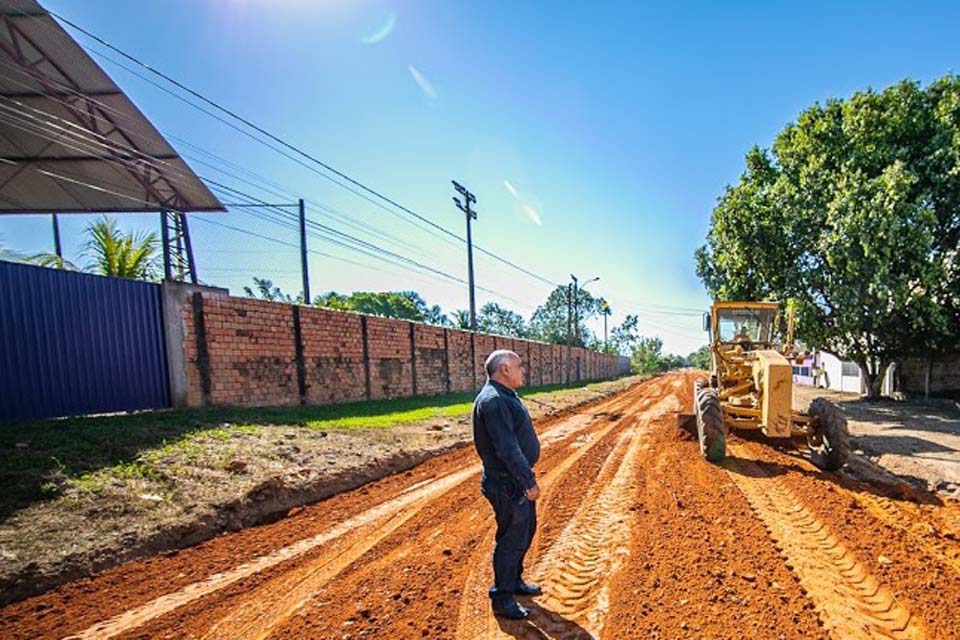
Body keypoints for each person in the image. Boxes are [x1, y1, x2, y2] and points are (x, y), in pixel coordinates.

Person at [473, 349, 542, 620]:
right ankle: (502, 597)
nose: (522, 371)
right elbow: (507, 448)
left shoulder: (503, 396)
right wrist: (528, 481)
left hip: (513, 481)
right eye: (519, 366)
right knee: (511, 539)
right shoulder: (494, 401)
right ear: (504, 370)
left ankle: (514, 582)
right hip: (507, 483)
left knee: (525, 531)